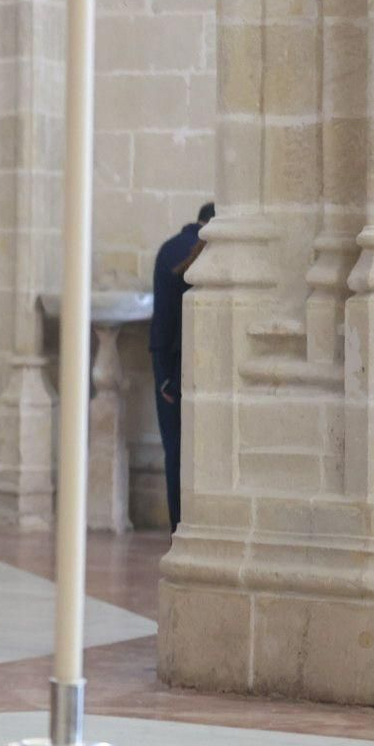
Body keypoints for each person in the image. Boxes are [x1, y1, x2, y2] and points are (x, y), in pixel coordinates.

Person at [149, 201, 214, 532]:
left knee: (174, 450)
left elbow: (161, 323)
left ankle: (178, 527)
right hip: (201, 367)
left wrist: (163, 377)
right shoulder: (207, 252)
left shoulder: (168, 249)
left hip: (171, 368)